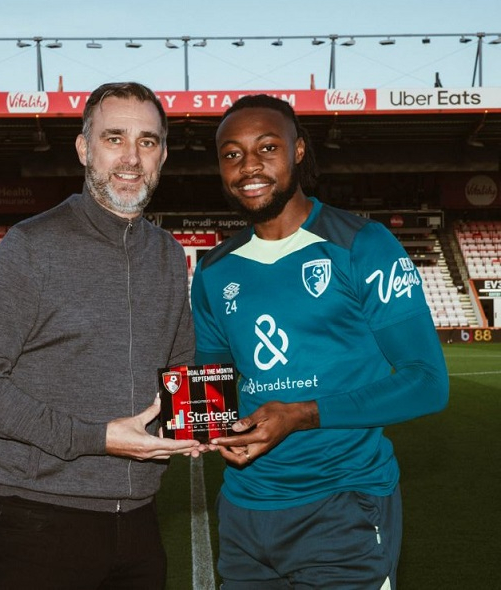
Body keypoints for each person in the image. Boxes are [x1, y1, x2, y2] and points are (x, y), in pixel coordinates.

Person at [191, 94, 449, 590]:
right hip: (244, 514)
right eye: (232, 153)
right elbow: (212, 385)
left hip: (342, 509)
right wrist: (191, 423)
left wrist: (301, 414)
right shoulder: (213, 269)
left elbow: (427, 383)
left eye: (267, 147)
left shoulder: (363, 245)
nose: (249, 166)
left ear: (299, 151)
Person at [0, 81, 200, 590]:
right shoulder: (31, 246)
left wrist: (204, 423)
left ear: (163, 155)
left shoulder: (169, 255)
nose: (131, 158)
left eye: (147, 142)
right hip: (39, 518)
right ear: (85, 149)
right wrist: (98, 439)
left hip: (139, 519)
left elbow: (180, 371)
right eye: (114, 138)